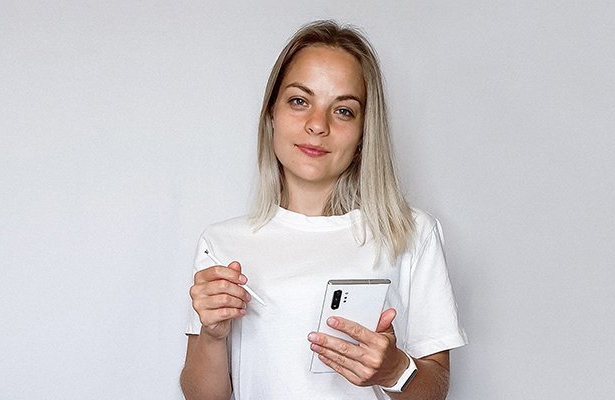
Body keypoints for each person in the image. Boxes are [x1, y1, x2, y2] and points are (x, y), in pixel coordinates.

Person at [180, 20, 467, 400]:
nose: (317, 125)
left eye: (343, 110)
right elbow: (203, 397)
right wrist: (213, 336)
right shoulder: (222, 243)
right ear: (271, 113)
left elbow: (436, 389)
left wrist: (395, 370)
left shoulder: (410, 232)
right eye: (300, 101)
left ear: (364, 131)